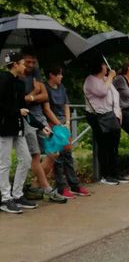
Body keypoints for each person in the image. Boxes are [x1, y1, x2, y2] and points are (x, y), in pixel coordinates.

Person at [21, 52, 66, 203]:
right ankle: (47, 189)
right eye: (28, 62)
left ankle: (34, 186)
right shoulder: (18, 77)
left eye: (33, 62)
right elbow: (20, 102)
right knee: (35, 155)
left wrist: (31, 96)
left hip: (40, 118)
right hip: (26, 118)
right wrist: (34, 93)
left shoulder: (36, 74)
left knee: (55, 152)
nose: (31, 65)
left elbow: (45, 96)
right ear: (21, 61)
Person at [42, 66, 90, 198]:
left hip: (63, 123)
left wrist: (67, 122)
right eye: (59, 74)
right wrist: (58, 124)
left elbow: (66, 105)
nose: (61, 77)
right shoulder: (45, 88)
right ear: (52, 75)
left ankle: (74, 184)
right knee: (58, 157)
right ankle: (61, 187)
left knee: (68, 154)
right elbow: (47, 109)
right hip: (53, 123)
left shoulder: (62, 87)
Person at [0, 51, 37, 214]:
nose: (25, 66)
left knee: (26, 159)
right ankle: (5, 198)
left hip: (18, 127)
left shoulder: (20, 83)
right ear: (15, 64)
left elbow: (25, 109)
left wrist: (42, 126)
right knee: (4, 163)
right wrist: (17, 112)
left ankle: (17, 194)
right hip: (4, 127)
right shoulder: (2, 79)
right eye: (22, 63)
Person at [83, 57, 126, 186]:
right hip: (98, 116)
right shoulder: (90, 80)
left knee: (114, 146)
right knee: (104, 146)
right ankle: (105, 175)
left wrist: (118, 113)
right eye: (104, 65)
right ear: (99, 67)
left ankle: (115, 172)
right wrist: (111, 77)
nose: (106, 67)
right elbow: (102, 92)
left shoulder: (106, 79)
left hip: (110, 116)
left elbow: (115, 96)